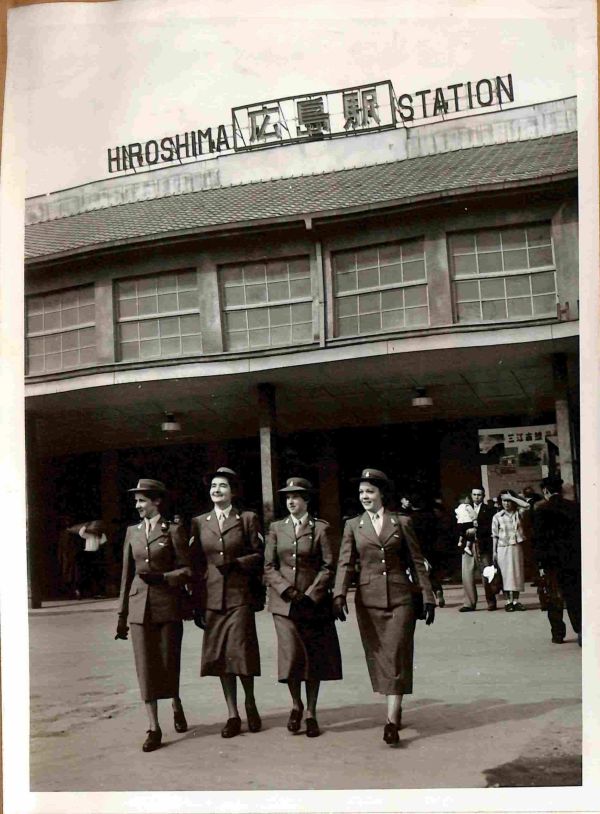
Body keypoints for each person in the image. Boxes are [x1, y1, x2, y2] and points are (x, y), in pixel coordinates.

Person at [333, 468, 435, 746]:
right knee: (381, 656)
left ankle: (390, 721)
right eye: (361, 493)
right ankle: (395, 702)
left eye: (370, 491)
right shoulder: (353, 525)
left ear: (382, 494)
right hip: (368, 601)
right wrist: (339, 594)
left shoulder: (401, 522)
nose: (365, 496)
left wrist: (428, 596)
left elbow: (416, 561)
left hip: (401, 598)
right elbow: (344, 562)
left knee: (397, 654)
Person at [115, 479, 192, 752]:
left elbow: (187, 570)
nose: (137, 506)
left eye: (142, 501)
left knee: (168, 662)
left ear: (156, 501)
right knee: (145, 667)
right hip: (139, 608)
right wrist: (122, 616)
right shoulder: (132, 532)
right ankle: (153, 727)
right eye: (136, 501)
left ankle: (175, 700)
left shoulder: (173, 530)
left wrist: (163, 577)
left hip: (167, 605)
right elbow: (126, 577)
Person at [189, 466, 264, 738]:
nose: (216, 490)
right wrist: (197, 603)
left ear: (232, 491)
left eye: (222, 486)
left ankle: (250, 702)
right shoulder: (199, 522)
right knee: (220, 657)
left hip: (239, 596)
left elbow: (260, 555)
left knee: (241, 653)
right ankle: (232, 714)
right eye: (213, 487)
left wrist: (238, 563)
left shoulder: (246, 518)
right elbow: (196, 564)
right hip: (212, 598)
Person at [264, 477, 342, 738]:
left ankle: (311, 712)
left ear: (306, 500)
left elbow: (328, 565)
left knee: (312, 658)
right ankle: (295, 705)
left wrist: (311, 594)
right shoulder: (276, 528)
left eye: (296, 496)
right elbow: (268, 566)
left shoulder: (320, 528)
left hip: (312, 604)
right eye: (287, 497)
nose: (291, 501)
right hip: (284, 604)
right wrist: (286, 590)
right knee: (292, 656)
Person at [531, 476, 581, 645]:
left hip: (551, 562)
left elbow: (538, 540)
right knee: (575, 596)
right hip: (573, 560)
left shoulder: (541, 510)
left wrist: (540, 564)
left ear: (545, 491)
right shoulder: (574, 507)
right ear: (560, 490)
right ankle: (581, 630)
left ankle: (558, 634)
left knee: (553, 598)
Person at [400, 493, 446, 607]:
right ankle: (437, 590)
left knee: (418, 573)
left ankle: (424, 598)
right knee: (432, 572)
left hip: (415, 548)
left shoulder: (409, 518)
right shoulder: (430, 515)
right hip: (430, 547)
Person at [459, 487, 499, 612]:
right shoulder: (464, 509)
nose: (477, 497)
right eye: (474, 494)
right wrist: (465, 534)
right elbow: (457, 525)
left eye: (479, 495)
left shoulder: (490, 510)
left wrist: (476, 530)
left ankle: (491, 601)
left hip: (483, 544)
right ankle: (469, 603)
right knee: (467, 575)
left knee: (487, 574)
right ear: (471, 495)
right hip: (468, 545)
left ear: (484, 495)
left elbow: (491, 528)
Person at [492, 489, 530, 612]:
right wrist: (494, 552)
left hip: (517, 547)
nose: (506, 503)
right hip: (503, 548)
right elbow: (495, 536)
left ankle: (516, 601)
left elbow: (527, 505)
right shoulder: (497, 516)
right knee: (506, 575)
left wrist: (512, 497)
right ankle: (508, 602)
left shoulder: (519, 513)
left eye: (508, 501)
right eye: (504, 501)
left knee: (517, 574)